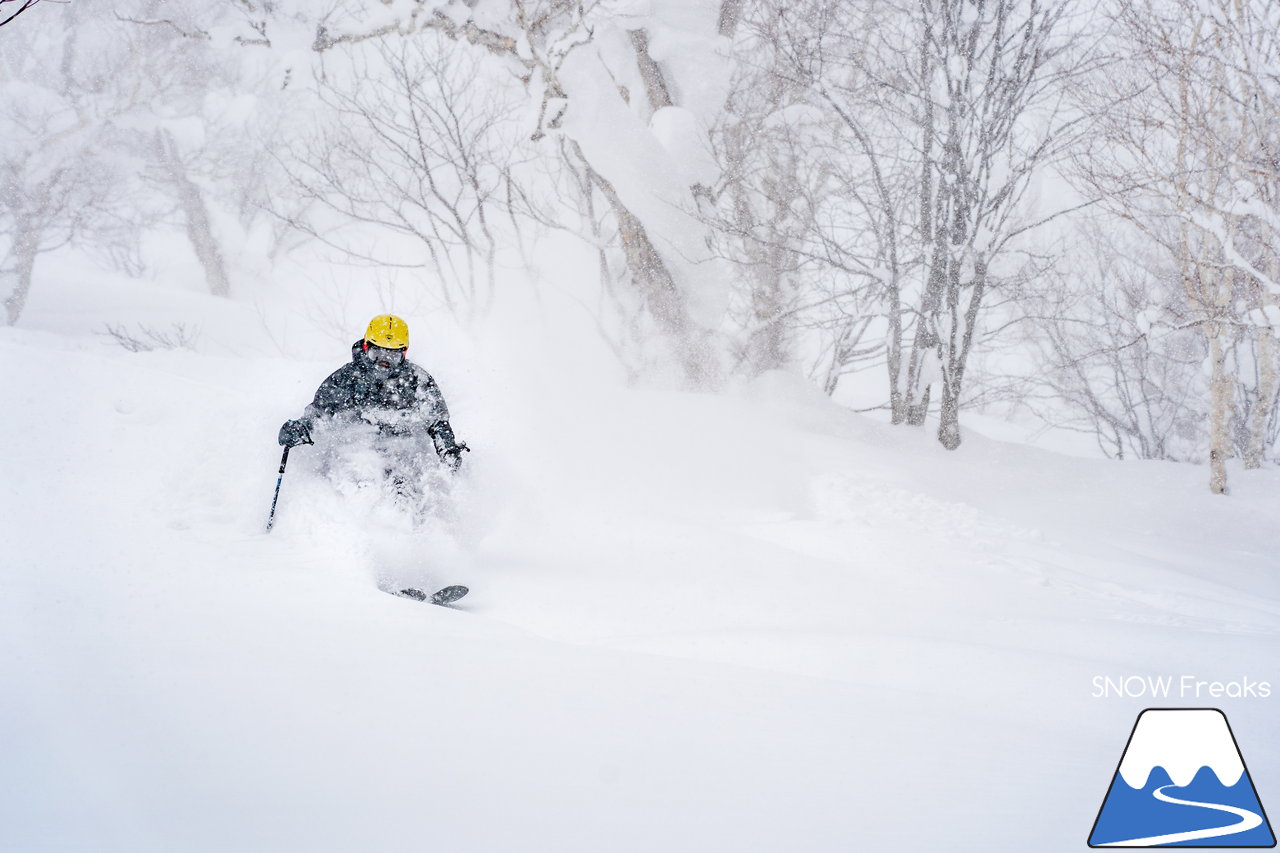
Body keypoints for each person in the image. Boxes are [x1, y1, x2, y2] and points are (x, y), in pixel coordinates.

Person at [277, 315, 468, 475]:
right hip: (356, 455)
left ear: (404, 353)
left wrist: (447, 448)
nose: (383, 363)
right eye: (377, 353)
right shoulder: (347, 378)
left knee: (404, 487)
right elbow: (321, 411)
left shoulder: (416, 380)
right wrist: (303, 427)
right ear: (366, 347)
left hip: (401, 455)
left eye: (392, 356)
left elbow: (437, 420)